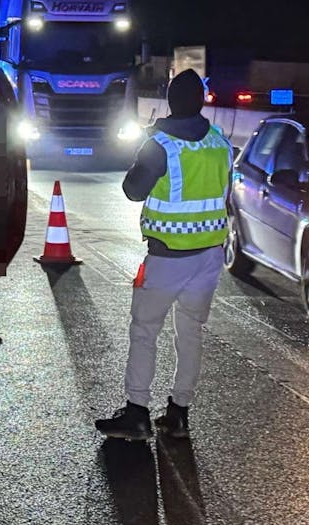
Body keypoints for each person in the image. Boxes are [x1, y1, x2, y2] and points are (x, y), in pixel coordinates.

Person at [96, 69, 233, 441]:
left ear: (169, 102)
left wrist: (141, 149)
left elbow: (133, 190)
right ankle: (178, 414)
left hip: (168, 256)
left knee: (144, 331)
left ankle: (137, 413)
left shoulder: (160, 144)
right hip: (209, 256)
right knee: (190, 333)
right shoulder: (220, 142)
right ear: (201, 102)